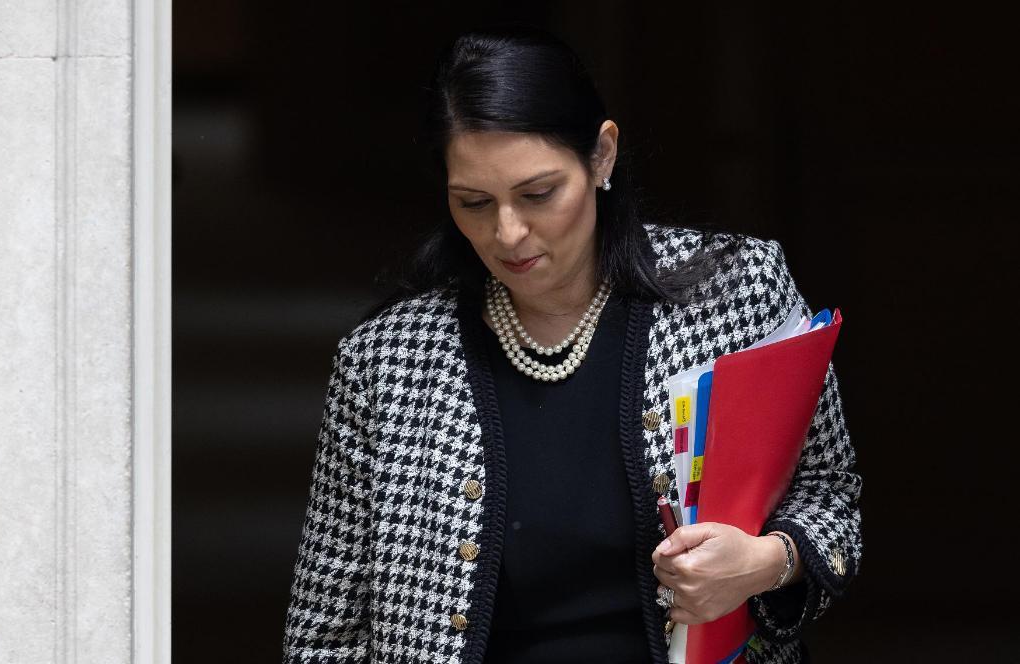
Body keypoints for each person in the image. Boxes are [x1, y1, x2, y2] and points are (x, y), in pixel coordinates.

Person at [282, 24, 861, 664]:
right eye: (473, 202)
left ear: (602, 155)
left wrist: (764, 562)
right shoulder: (385, 363)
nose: (508, 233)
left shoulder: (734, 291)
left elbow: (831, 492)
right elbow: (323, 635)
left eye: (538, 194)